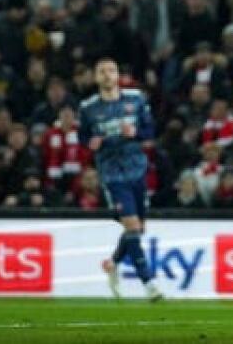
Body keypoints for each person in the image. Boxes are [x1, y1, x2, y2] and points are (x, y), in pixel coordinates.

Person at [79, 57, 163, 302]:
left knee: (138, 229)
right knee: (132, 226)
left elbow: (150, 131)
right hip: (112, 174)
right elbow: (83, 136)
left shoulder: (135, 99)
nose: (106, 75)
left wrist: (136, 133)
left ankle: (113, 263)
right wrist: (89, 143)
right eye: (101, 71)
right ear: (96, 78)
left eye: (111, 70)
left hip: (137, 168)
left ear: (118, 75)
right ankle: (149, 283)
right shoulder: (88, 107)